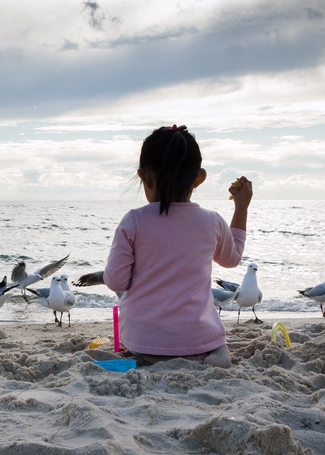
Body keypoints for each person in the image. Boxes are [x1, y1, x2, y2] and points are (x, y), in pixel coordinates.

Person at [103, 125, 253, 368]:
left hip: (142, 342)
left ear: (144, 176)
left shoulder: (134, 221)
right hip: (199, 343)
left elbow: (116, 282)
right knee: (220, 350)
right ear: (199, 178)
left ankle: (144, 359)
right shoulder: (212, 221)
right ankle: (215, 360)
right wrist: (241, 208)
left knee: (138, 352)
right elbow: (232, 259)